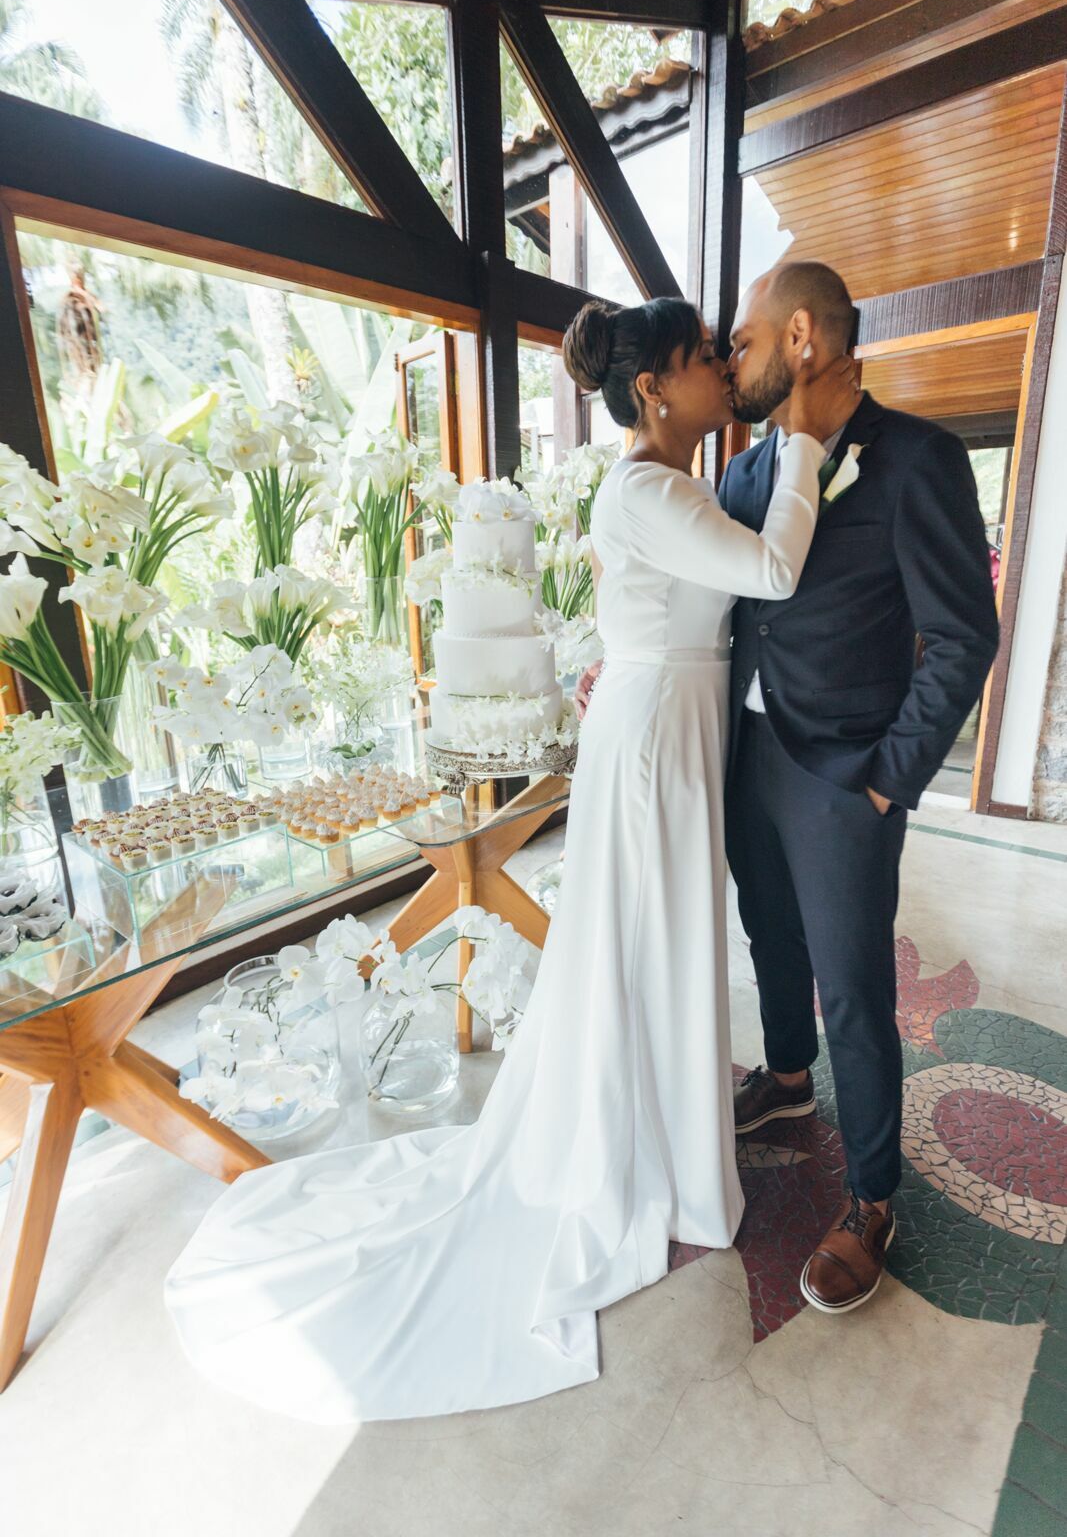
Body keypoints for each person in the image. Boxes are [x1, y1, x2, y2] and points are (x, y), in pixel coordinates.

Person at [164, 297, 858, 1424]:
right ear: (652, 389)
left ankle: (666, 1133)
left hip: (672, 719)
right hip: (654, 736)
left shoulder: (672, 483)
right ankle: (645, 1150)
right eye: (700, 359)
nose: (719, 372)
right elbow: (772, 571)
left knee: (659, 937)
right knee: (644, 936)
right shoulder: (643, 489)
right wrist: (809, 441)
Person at [581, 262, 1000, 1316]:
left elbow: (961, 637)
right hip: (738, 753)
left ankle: (870, 1195)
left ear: (802, 337)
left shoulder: (916, 458)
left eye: (743, 340)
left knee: (852, 986)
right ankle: (783, 1079)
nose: (729, 359)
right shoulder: (741, 469)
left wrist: (887, 782)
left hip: (845, 775)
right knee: (765, 932)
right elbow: (702, 593)